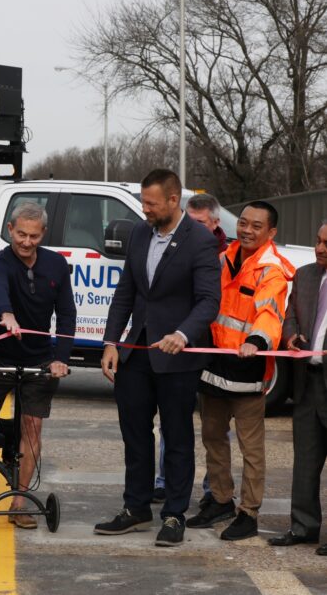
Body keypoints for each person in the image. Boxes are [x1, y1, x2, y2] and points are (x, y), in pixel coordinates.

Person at [93, 169, 221, 547]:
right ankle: (136, 508)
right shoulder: (138, 233)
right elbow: (126, 292)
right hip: (137, 351)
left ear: (172, 200)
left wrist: (182, 334)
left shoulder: (199, 240)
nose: (144, 209)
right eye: (143, 202)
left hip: (178, 358)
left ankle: (175, 514)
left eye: (150, 203)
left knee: (177, 435)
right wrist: (111, 342)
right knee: (134, 432)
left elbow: (209, 301)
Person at [0, 202, 75, 529]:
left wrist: (61, 358)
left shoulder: (56, 265)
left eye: (33, 236)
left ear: (43, 234)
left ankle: (19, 503)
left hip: (39, 360)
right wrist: (6, 316)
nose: (26, 241)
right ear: (10, 230)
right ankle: (8, 433)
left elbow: (66, 314)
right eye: (21, 234)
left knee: (33, 427)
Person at [186, 201, 293, 540]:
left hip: (248, 369)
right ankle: (220, 499)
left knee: (251, 449)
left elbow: (269, 312)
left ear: (271, 232)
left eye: (256, 226)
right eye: (243, 223)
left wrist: (257, 341)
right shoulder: (223, 258)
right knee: (213, 438)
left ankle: (248, 512)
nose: (247, 230)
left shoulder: (271, 269)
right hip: (214, 366)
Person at [154, 192, 228, 504]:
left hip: (214, 351)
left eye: (199, 224)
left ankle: (214, 492)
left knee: (215, 428)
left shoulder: (231, 259)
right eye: (189, 222)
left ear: (215, 224)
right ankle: (163, 481)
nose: (192, 229)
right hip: (178, 348)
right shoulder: (174, 248)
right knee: (171, 421)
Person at [269, 221, 327, 555]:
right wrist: (290, 335)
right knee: (305, 461)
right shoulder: (304, 276)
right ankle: (303, 527)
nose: (319, 248)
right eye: (317, 241)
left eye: (326, 244)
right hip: (307, 383)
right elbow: (289, 316)